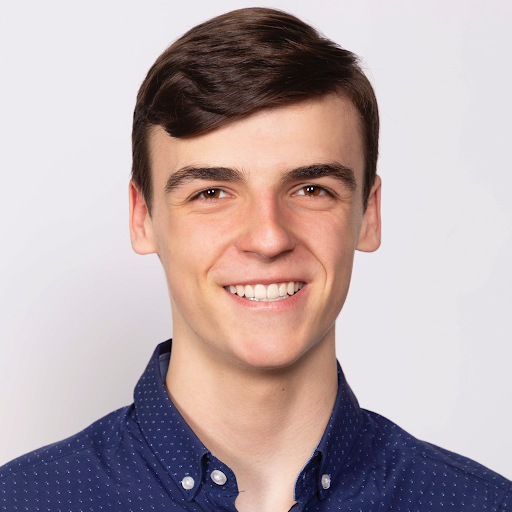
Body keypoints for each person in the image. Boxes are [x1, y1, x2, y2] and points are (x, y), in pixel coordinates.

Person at [1, 7, 510, 512]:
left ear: (369, 214)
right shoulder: (24, 501)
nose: (268, 238)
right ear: (143, 217)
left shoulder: (480, 504)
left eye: (311, 189)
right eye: (211, 193)